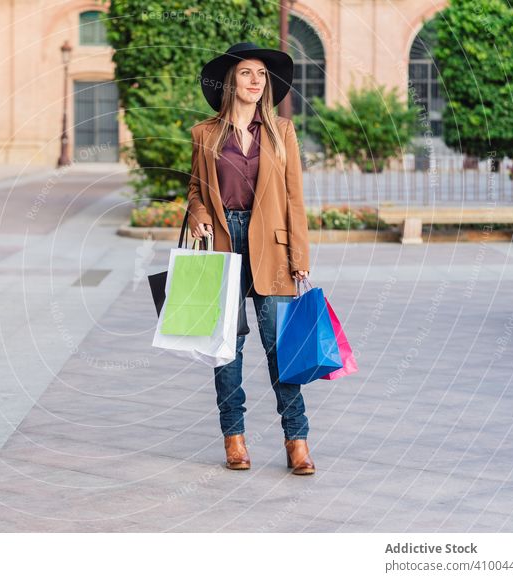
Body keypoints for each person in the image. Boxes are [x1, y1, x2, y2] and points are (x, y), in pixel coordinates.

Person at [186, 42, 315, 475]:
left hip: (272, 248)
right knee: (228, 349)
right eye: (247, 73)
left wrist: (300, 256)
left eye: (261, 74)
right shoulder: (205, 134)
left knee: (281, 349)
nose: (256, 80)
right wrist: (200, 214)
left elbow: (295, 198)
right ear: (231, 81)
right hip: (223, 243)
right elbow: (195, 191)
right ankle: (234, 439)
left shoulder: (283, 132)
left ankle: (297, 441)